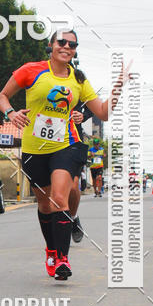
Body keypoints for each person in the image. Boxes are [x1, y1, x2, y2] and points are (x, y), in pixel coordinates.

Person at [0, 29, 128, 280]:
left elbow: (103, 113)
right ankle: (51, 250)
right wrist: (11, 113)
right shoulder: (31, 70)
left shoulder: (78, 79)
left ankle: (62, 260)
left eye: (72, 45)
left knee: (59, 198)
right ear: (51, 45)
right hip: (34, 149)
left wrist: (119, 85)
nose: (67, 47)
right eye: (62, 42)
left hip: (66, 145)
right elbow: (2, 96)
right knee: (45, 205)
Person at [69, 101, 92, 243]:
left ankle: (73, 218)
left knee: (72, 186)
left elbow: (93, 107)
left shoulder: (79, 86)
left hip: (73, 141)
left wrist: (83, 116)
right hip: (46, 142)